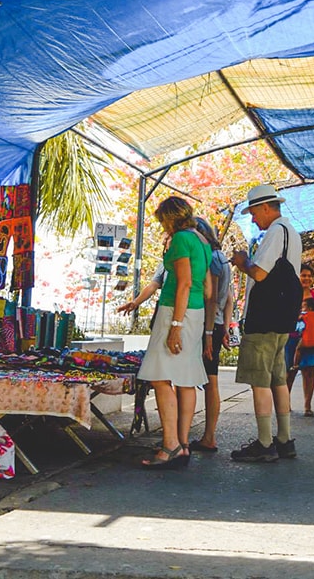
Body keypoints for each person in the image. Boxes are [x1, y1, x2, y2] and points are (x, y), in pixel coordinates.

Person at [229, 183, 303, 463]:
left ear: (265, 207)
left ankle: (264, 442)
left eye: (254, 212)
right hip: (282, 319)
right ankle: (284, 439)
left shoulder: (275, 232)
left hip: (264, 319)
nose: (253, 219)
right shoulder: (292, 233)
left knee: (259, 381)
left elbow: (259, 274)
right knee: (277, 380)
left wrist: (242, 261)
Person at [137, 196, 211, 470]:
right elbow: (207, 289)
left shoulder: (180, 239)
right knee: (186, 379)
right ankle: (182, 443)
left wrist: (175, 327)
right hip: (196, 311)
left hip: (175, 311)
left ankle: (170, 445)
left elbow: (183, 283)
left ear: (170, 217)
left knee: (160, 377)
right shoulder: (202, 240)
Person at [191, 217, 234, 454]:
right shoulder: (222, 259)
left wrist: (208, 334)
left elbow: (210, 298)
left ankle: (206, 436)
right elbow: (228, 298)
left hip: (206, 326)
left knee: (205, 382)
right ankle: (208, 435)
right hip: (216, 325)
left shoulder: (213, 260)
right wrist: (224, 327)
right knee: (211, 381)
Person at [286, 264, 314, 389]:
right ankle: (285, 404)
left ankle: (307, 406)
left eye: (309, 276)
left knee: (309, 372)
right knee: (289, 372)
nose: (306, 278)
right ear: (298, 276)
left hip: (312, 337)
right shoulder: (290, 294)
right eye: (303, 275)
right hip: (292, 337)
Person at [291, 296, 314, 417]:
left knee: (299, 354)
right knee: (311, 369)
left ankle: (295, 364)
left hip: (303, 341)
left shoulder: (303, 316)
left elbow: (298, 328)